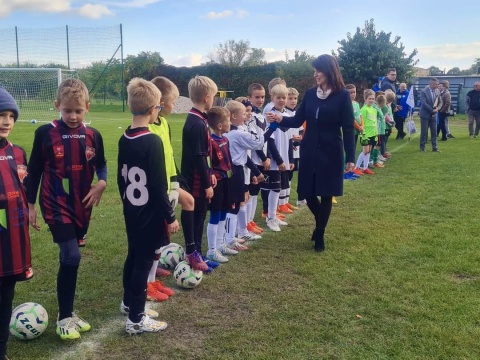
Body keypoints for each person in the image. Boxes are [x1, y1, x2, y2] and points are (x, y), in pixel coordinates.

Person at [26, 79, 107, 340]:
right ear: (57, 106)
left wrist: (101, 184)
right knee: (71, 256)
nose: (72, 116)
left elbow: (102, 164)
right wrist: (30, 205)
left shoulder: (93, 135)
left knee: (70, 258)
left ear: (87, 108)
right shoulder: (44, 134)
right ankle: (63, 319)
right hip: (55, 203)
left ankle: (69, 312)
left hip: (82, 206)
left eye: (78, 111)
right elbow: (35, 171)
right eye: (67, 110)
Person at [268, 54, 355, 252]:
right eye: (314, 71)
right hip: (309, 149)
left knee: (325, 193)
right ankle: (320, 222)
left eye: (319, 70)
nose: (315, 74)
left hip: (331, 151)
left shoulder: (342, 96)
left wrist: (350, 157)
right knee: (306, 191)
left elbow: (348, 128)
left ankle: (320, 234)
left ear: (330, 71)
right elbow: (297, 120)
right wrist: (280, 118)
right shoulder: (309, 94)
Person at [118, 78, 178, 334]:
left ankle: (128, 302)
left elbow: (122, 178)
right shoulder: (152, 140)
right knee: (142, 262)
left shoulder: (125, 137)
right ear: (154, 108)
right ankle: (136, 320)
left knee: (133, 257)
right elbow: (157, 185)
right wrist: (170, 216)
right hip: (149, 212)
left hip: (131, 209)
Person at [145, 76, 193, 302]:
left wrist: (176, 182)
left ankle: (152, 278)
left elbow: (169, 155)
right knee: (150, 239)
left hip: (167, 189)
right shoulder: (145, 127)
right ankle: (146, 282)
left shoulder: (164, 123)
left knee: (157, 239)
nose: (175, 106)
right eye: (173, 102)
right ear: (161, 102)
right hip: (153, 192)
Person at [0, 88, 32, 359]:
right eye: (1, 115)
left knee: (5, 297)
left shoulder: (19, 153)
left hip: (12, 241)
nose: (6, 121)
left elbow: (24, 191)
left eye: (11, 116)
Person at [181, 76, 218, 272]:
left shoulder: (201, 119)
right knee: (197, 215)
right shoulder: (195, 122)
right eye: (213, 95)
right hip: (195, 180)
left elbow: (205, 155)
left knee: (201, 215)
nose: (214, 99)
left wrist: (210, 172)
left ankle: (198, 253)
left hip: (201, 176)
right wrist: (206, 184)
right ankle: (193, 253)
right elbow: (198, 157)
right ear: (206, 97)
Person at [224, 100, 275, 243]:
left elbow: (245, 156)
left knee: (241, 201)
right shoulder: (237, 134)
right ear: (234, 116)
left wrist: (255, 172)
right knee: (235, 205)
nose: (247, 115)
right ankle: (230, 238)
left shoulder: (233, 132)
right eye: (243, 113)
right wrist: (274, 126)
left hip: (238, 170)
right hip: (236, 171)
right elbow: (260, 142)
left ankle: (241, 232)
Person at [206, 106, 236, 263]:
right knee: (215, 214)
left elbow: (229, 161)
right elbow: (208, 163)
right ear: (219, 125)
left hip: (226, 181)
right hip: (217, 183)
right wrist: (211, 176)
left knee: (224, 211)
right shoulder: (210, 142)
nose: (230, 124)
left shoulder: (225, 139)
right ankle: (211, 250)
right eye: (228, 121)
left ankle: (220, 244)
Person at [246, 83, 267, 233]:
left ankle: (250, 220)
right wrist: (264, 157)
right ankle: (246, 222)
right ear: (249, 98)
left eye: (262, 97)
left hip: (260, 160)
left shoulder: (261, 115)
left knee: (255, 193)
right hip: (253, 161)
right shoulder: (250, 117)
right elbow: (255, 142)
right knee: (251, 192)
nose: (260, 100)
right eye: (257, 97)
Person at [355, 90, 378, 175]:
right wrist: (362, 131)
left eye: (373, 98)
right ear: (365, 99)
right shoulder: (364, 109)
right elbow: (362, 121)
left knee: (369, 151)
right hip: (366, 134)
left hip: (373, 133)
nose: (371, 100)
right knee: (365, 151)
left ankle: (365, 168)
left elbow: (374, 121)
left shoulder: (374, 109)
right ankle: (356, 167)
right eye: (369, 98)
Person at [419, 78, 442, 152]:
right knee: (424, 132)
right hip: (425, 115)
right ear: (431, 84)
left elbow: (440, 102)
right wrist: (432, 110)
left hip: (434, 115)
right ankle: (422, 147)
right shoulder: (423, 91)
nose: (437, 86)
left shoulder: (438, 91)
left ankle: (434, 147)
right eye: (436, 84)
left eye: (438, 84)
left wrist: (438, 108)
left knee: (434, 132)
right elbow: (424, 103)